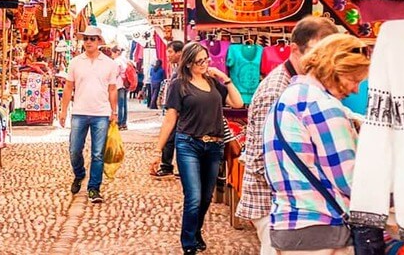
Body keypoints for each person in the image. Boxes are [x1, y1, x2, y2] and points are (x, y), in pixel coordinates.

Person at [235, 17, 339, 255]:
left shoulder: (303, 84)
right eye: (317, 51)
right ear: (295, 49)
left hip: (289, 204)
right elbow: (262, 159)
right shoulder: (276, 90)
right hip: (274, 205)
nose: (324, 59)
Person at [263, 34, 370, 255]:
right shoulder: (324, 106)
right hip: (322, 229)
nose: (356, 89)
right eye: (354, 79)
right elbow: (349, 180)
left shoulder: (288, 98)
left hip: (286, 225)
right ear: (335, 69)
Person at [155, 42, 244, 255]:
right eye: (199, 61)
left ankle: (195, 231)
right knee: (193, 196)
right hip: (189, 144)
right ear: (188, 63)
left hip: (214, 146)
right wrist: (158, 150)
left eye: (206, 60)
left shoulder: (213, 83)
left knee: (205, 197)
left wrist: (225, 78)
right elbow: (170, 119)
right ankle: (188, 243)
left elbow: (238, 103)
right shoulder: (179, 85)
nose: (204, 64)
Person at [58, 26, 119, 204]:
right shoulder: (75, 62)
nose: (89, 42)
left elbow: (112, 89)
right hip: (79, 112)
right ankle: (79, 174)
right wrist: (63, 110)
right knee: (74, 150)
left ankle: (94, 188)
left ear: (99, 41)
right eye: (86, 38)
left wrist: (113, 112)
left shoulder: (109, 64)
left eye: (93, 38)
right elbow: (68, 87)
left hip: (101, 113)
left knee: (98, 153)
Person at [153, 40, 185, 177]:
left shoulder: (183, 70)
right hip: (174, 108)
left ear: (180, 53)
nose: (168, 55)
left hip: (179, 110)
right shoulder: (177, 68)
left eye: (171, 52)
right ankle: (168, 165)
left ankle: (168, 166)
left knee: (173, 138)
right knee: (171, 137)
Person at [111, 46, 130, 130]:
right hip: (125, 84)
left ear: (115, 52)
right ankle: (124, 123)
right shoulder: (125, 60)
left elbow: (115, 74)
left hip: (119, 84)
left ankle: (120, 123)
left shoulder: (117, 61)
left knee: (120, 104)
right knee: (124, 104)